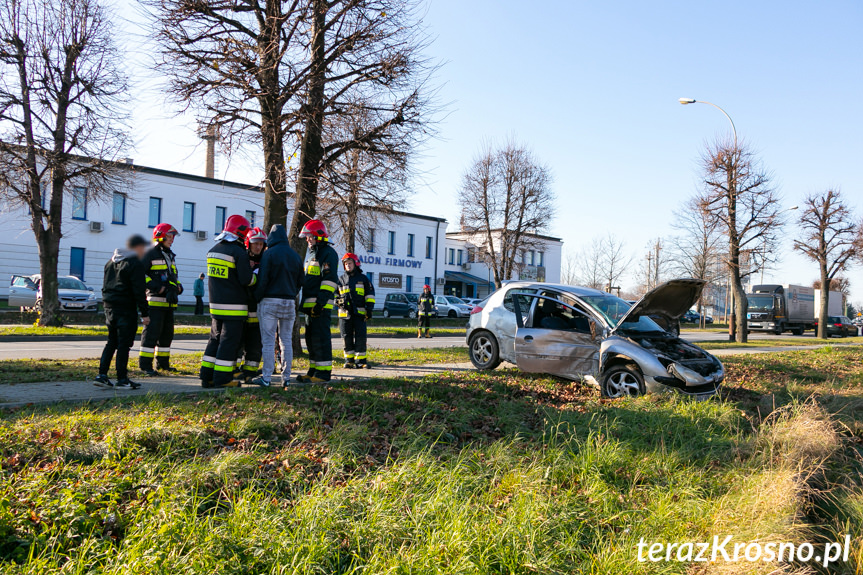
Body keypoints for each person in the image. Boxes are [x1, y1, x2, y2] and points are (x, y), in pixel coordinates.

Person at [199, 215, 255, 388]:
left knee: (214, 340)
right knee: (229, 342)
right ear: (241, 233)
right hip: (234, 307)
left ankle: (206, 376)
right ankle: (222, 379)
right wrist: (257, 278)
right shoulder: (238, 252)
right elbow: (246, 280)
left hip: (216, 306)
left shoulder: (213, 250)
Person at [251, 224, 304, 388]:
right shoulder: (295, 256)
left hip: (269, 301)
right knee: (286, 340)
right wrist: (292, 292)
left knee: (267, 341)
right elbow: (301, 281)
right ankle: (286, 378)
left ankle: (266, 378)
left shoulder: (269, 254)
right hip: (289, 302)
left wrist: (257, 297)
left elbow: (263, 279)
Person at [94, 235, 150, 389]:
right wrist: (145, 313)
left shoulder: (109, 263)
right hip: (126, 308)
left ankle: (102, 375)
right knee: (124, 344)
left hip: (109, 306)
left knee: (112, 341)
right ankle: (122, 379)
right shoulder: (134, 264)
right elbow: (139, 291)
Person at [297, 219, 339, 383]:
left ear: (319, 237)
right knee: (311, 340)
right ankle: (313, 370)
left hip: (319, 307)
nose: (307, 240)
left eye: (310, 237)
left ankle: (323, 374)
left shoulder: (328, 254)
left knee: (321, 338)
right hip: (310, 307)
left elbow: (329, 281)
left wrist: (320, 304)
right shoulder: (313, 255)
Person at [139, 223, 182, 376]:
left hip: (168, 303)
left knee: (166, 335)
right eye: (169, 236)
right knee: (151, 335)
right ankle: (145, 366)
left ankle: (163, 364)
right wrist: (159, 288)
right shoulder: (149, 253)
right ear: (160, 236)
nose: (172, 239)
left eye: (173, 237)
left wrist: (178, 287)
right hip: (154, 302)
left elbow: (172, 276)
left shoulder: (170, 255)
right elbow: (139, 275)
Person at [237, 227, 267, 383]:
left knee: (255, 343)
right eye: (255, 243)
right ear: (248, 243)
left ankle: (250, 372)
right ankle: (234, 370)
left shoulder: (265, 261)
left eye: (261, 244)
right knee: (237, 341)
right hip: (240, 308)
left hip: (257, 309)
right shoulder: (240, 258)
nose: (258, 247)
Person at [336, 253, 375, 369]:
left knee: (360, 336)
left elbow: (370, 295)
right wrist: (338, 301)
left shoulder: (363, 279)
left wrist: (369, 309)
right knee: (346, 336)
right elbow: (334, 295)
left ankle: (361, 361)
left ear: (355, 264)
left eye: (350, 263)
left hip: (359, 314)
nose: (348, 265)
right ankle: (349, 360)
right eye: (346, 264)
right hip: (344, 314)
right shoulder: (341, 280)